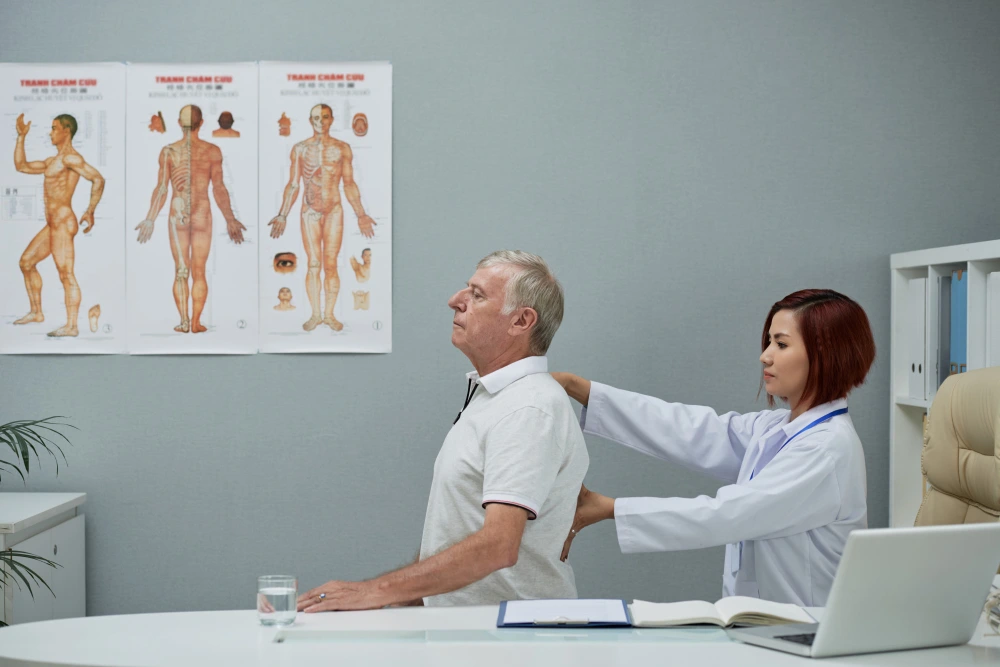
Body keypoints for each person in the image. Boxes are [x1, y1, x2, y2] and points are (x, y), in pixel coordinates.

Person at [297, 250, 589, 611]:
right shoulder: (495, 398)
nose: (455, 300)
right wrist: (406, 601)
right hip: (476, 629)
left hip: (511, 635)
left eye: (477, 295)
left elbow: (498, 546)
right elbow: (460, 531)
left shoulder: (528, 407)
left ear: (521, 321)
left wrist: (374, 591)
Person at [555, 289, 876, 607]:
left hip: (807, 631)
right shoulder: (777, 428)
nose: (765, 356)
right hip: (764, 624)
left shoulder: (825, 449)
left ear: (825, 354)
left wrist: (609, 508)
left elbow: (729, 514)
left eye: (781, 344)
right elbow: (688, 430)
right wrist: (577, 387)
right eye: (768, 342)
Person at [135, 105, 246, 334]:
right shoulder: (212, 151)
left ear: (178, 123)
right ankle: (195, 322)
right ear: (201, 123)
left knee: (181, 271)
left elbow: (162, 188)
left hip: (178, 215)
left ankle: (184, 321)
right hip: (202, 213)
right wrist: (230, 219)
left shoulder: (169, 151)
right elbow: (218, 188)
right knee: (199, 271)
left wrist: (150, 218)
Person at [268, 104, 376, 333]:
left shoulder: (342, 148)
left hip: (334, 210)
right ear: (311, 121)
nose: (321, 121)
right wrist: (283, 214)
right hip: (310, 211)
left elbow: (349, 183)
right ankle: (316, 314)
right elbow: (294, 184)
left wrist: (361, 214)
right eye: (316, 118)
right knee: (314, 264)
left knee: (331, 264)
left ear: (331, 120)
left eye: (325, 117)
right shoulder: (300, 149)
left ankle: (329, 315)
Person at [14, 113, 105, 337]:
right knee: (26, 262)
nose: (50, 133)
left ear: (66, 130)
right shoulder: (51, 161)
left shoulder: (71, 159)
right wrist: (21, 137)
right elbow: (21, 166)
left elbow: (98, 179)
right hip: (52, 224)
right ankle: (36, 312)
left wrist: (90, 210)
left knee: (65, 274)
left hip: (63, 223)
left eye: (54, 128)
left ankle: (72, 326)